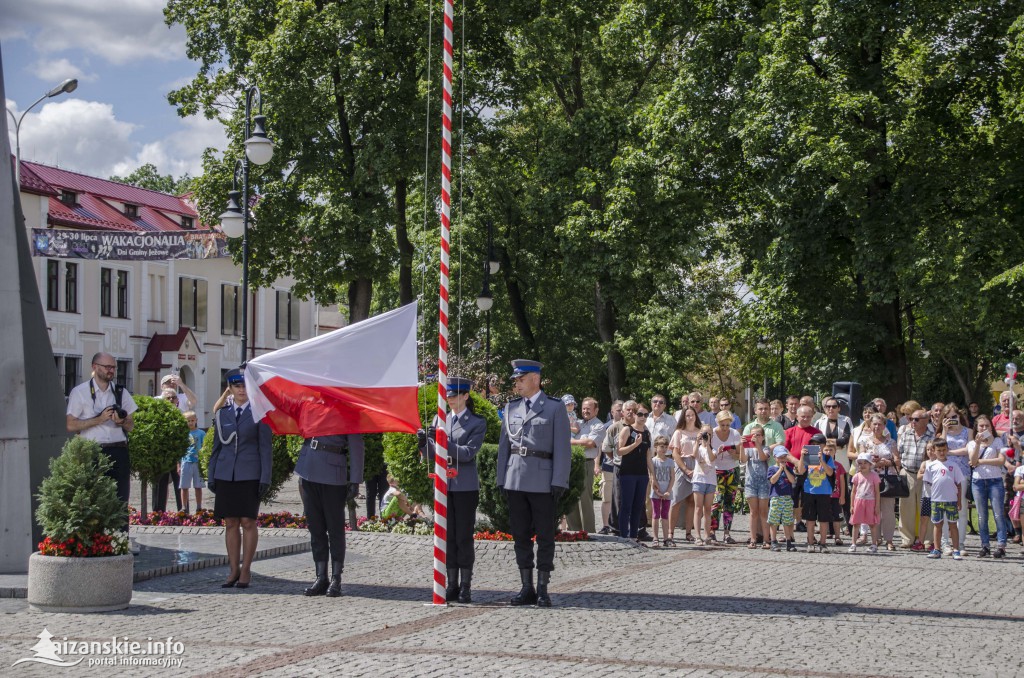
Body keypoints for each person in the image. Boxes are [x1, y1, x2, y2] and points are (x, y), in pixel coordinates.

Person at [496, 359, 571, 608]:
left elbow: (562, 447)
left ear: (535, 379)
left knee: (545, 536)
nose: (516, 384)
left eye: (521, 379)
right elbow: (504, 447)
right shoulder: (511, 408)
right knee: (520, 535)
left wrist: (559, 479)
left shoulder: (554, 408)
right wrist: (501, 478)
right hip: (516, 479)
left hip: (542, 480)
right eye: (516, 380)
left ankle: (542, 588)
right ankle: (526, 586)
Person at [419, 377, 486, 602]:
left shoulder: (476, 422)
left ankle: (466, 585)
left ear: (466, 396)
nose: (450, 399)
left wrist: (441, 440)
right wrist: (424, 444)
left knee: (463, 537)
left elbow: (467, 453)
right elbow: (432, 454)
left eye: (455, 395)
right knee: (447, 536)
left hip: (464, 485)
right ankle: (452, 584)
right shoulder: (441, 418)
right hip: (443, 485)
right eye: (448, 396)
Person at [66, 352, 138, 553]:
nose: (111, 371)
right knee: (92, 498)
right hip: (93, 450)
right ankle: (93, 544)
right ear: (95, 367)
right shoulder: (80, 392)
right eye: (107, 367)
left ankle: (121, 543)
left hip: (119, 449)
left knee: (121, 500)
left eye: (113, 367)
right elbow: (71, 425)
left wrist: (121, 421)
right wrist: (97, 420)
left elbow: (131, 425)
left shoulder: (121, 392)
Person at [207, 368, 273, 588]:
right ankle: (233, 569)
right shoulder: (222, 413)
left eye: (245, 385)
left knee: (248, 521)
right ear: (230, 388)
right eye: (237, 386)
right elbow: (216, 448)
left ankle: (246, 570)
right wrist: (211, 473)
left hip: (250, 473)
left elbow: (265, 448)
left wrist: (266, 477)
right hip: (226, 473)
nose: (242, 390)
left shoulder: (258, 412)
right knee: (230, 522)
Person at [858, 413, 900, 550]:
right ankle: (874, 539)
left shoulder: (891, 442)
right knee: (870, 509)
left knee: (888, 511)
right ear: (870, 425)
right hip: (869, 480)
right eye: (874, 424)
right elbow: (861, 460)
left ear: (884, 426)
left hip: (887, 479)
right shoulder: (864, 441)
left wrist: (886, 462)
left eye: (880, 424)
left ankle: (889, 539)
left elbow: (897, 460)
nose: (877, 427)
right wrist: (872, 462)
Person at [969, 414, 1008, 558]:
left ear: (991, 427)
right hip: (978, 481)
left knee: (998, 514)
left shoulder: (997, 441)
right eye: (981, 426)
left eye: (987, 426)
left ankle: (1001, 545)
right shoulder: (972, 443)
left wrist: (982, 462)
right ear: (977, 428)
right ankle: (985, 545)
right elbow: (972, 462)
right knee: (981, 516)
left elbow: (1001, 460)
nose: (984, 428)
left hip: (995, 480)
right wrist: (979, 444)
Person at [567, 397, 605, 534]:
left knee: (585, 499)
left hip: (586, 464)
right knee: (570, 497)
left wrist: (570, 442)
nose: (585, 411)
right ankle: (573, 531)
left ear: (596, 410)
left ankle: (589, 532)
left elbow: (590, 443)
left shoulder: (599, 425)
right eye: (583, 408)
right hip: (571, 463)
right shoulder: (577, 423)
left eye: (588, 408)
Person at [937, 404, 972, 554]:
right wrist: (945, 430)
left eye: (954, 417)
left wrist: (950, 451)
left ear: (959, 416)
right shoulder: (941, 433)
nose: (951, 420)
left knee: (961, 509)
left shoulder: (968, 432)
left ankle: (961, 543)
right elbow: (940, 448)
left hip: (963, 473)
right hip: (945, 474)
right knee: (944, 510)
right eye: (948, 418)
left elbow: (968, 450)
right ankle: (945, 543)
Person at [896, 409, 932, 550]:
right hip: (908, 473)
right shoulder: (906, 434)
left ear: (925, 420)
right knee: (906, 507)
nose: (913, 422)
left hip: (925, 474)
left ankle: (928, 539)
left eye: (916, 419)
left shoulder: (931, 436)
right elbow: (900, 452)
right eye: (911, 419)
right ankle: (907, 538)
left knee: (925, 507)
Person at [617, 401, 653, 542]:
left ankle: (633, 536)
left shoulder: (647, 432)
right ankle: (623, 536)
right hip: (628, 473)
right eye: (640, 414)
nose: (643, 417)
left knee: (639, 506)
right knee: (626, 505)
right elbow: (619, 451)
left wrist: (653, 476)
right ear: (634, 414)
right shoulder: (627, 430)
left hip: (642, 474)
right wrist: (635, 444)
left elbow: (648, 456)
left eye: (646, 415)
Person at [924, 439, 964, 560]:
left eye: (944, 450)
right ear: (934, 451)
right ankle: (937, 549)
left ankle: (956, 549)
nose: (941, 453)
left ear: (947, 450)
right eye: (939, 450)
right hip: (936, 500)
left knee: (953, 525)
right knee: (937, 525)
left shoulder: (953, 465)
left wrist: (959, 500)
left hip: (951, 500)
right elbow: (928, 483)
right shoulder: (931, 466)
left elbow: (959, 484)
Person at [797, 433, 835, 552]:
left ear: (823, 445)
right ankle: (810, 542)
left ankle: (823, 543)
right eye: (812, 444)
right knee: (810, 519)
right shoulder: (807, 457)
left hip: (824, 492)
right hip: (809, 491)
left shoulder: (828, 458)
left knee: (823, 519)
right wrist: (802, 457)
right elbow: (801, 470)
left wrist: (821, 460)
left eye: (818, 444)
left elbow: (830, 473)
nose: (815, 446)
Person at [669, 406, 701, 543]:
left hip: (698, 466)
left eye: (692, 415)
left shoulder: (700, 431)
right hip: (682, 465)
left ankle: (689, 532)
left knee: (692, 501)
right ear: (684, 417)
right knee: (676, 500)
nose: (690, 417)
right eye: (687, 415)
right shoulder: (679, 433)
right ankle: (670, 532)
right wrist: (685, 469)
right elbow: (675, 453)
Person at [784, 405, 819, 528]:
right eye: (803, 416)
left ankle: (804, 524)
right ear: (797, 416)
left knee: (807, 499)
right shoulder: (789, 432)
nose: (805, 419)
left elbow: (818, 451)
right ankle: (790, 527)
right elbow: (784, 450)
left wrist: (804, 465)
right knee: (791, 499)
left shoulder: (816, 433)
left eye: (809, 417)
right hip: (791, 470)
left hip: (810, 471)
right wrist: (796, 462)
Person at [710, 410, 741, 543]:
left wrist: (733, 452)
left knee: (730, 502)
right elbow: (707, 454)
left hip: (732, 470)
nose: (725, 428)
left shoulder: (734, 433)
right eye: (722, 425)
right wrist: (717, 452)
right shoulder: (712, 434)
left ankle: (727, 533)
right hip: (716, 470)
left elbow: (740, 455)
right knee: (716, 501)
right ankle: (712, 531)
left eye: (728, 425)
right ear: (718, 422)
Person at [740, 425, 770, 549]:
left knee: (763, 512)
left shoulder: (766, 448)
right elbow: (742, 460)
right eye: (753, 435)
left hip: (763, 482)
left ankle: (766, 539)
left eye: (758, 435)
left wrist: (757, 445)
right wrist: (742, 446)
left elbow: (763, 457)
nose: (755, 437)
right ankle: (753, 539)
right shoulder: (748, 449)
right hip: (750, 482)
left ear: (762, 437)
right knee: (753, 512)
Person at [599, 400, 624, 534]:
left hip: (624, 467)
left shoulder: (629, 426)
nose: (620, 412)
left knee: (621, 498)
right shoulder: (606, 426)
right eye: (618, 410)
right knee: (607, 497)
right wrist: (597, 464)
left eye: (622, 409)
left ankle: (621, 524)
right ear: (612, 412)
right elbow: (601, 448)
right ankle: (606, 525)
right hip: (608, 466)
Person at [691, 425, 718, 545]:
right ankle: (697, 535)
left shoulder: (713, 448)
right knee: (698, 508)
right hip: (698, 480)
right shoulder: (697, 446)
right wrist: (698, 441)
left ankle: (707, 535)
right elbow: (694, 454)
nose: (706, 435)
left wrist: (707, 444)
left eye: (709, 433)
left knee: (707, 509)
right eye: (704, 433)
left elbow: (712, 458)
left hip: (710, 481)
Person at [848, 454, 880, 554]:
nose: (862, 465)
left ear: (870, 464)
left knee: (872, 524)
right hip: (859, 501)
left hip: (871, 502)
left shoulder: (874, 476)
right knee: (856, 523)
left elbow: (877, 492)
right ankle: (853, 543)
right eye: (860, 463)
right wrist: (852, 505)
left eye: (865, 463)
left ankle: (874, 544)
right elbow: (853, 492)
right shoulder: (857, 476)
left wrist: (877, 506)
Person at [767, 446, 797, 551]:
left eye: (784, 456)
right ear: (775, 457)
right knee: (774, 521)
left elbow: (792, 481)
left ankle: (789, 541)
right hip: (776, 498)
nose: (783, 459)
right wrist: (780, 469)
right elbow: (772, 481)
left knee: (787, 521)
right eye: (780, 457)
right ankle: (773, 541)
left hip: (787, 498)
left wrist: (785, 469)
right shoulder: (771, 468)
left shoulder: (789, 469)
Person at [649, 435, 675, 547]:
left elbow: (672, 477)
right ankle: (655, 538)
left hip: (667, 493)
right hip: (656, 493)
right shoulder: (653, 461)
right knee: (655, 514)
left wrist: (668, 491)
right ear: (655, 447)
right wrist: (657, 491)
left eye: (665, 447)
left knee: (665, 515)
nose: (663, 449)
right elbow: (651, 477)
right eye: (661, 446)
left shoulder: (670, 461)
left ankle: (666, 538)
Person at [178, 411, 206, 513]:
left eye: (192, 420)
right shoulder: (183, 434)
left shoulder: (201, 433)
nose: (190, 423)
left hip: (198, 462)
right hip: (186, 461)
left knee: (198, 486)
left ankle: (199, 506)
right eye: (188, 421)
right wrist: (178, 465)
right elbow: (179, 450)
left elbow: (204, 447)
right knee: (184, 486)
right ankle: (184, 506)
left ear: (196, 421)